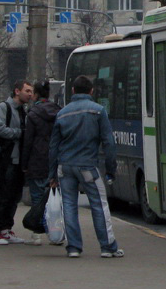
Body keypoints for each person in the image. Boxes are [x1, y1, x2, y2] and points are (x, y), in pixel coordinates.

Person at [47, 75, 123, 259]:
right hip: (88, 166)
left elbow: (53, 147)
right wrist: (110, 170)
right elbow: (108, 143)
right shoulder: (98, 111)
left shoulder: (62, 113)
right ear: (91, 91)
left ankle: (73, 247)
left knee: (69, 206)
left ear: (72, 91)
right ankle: (107, 246)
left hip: (65, 167)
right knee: (99, 205)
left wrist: (52, 174)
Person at [0, 79, 33, 245]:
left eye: (30, 91)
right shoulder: (4, 107)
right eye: (27, 91)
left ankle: (6, 229)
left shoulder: (24, 110)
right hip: (5, 159)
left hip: (18, 160)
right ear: (17, 91)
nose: (30, 94)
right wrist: (19, 133)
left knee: (14, 196)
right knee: (2, 195)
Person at [20, 80, 60, 245]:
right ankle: (55, 234)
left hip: (36, 160)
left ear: (35, 94)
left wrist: (24, 164)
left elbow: (28, 141)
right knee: (54, 198)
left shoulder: (33, 113)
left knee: (37, 197)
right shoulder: (58, 111)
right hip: (55, 160)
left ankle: (36, 234)